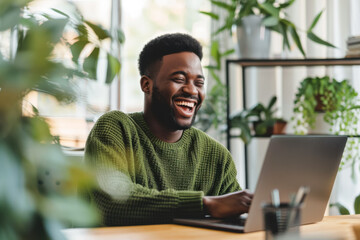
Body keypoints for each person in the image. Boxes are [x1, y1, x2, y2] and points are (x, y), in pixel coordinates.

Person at [85, 33, 253, 226]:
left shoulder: (215, 155)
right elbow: (112, 202)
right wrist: (205, 204)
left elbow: (234, 214)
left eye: (199, 83)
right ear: (147, 85)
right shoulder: (116, 128)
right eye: (180, 79)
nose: (192, 91)